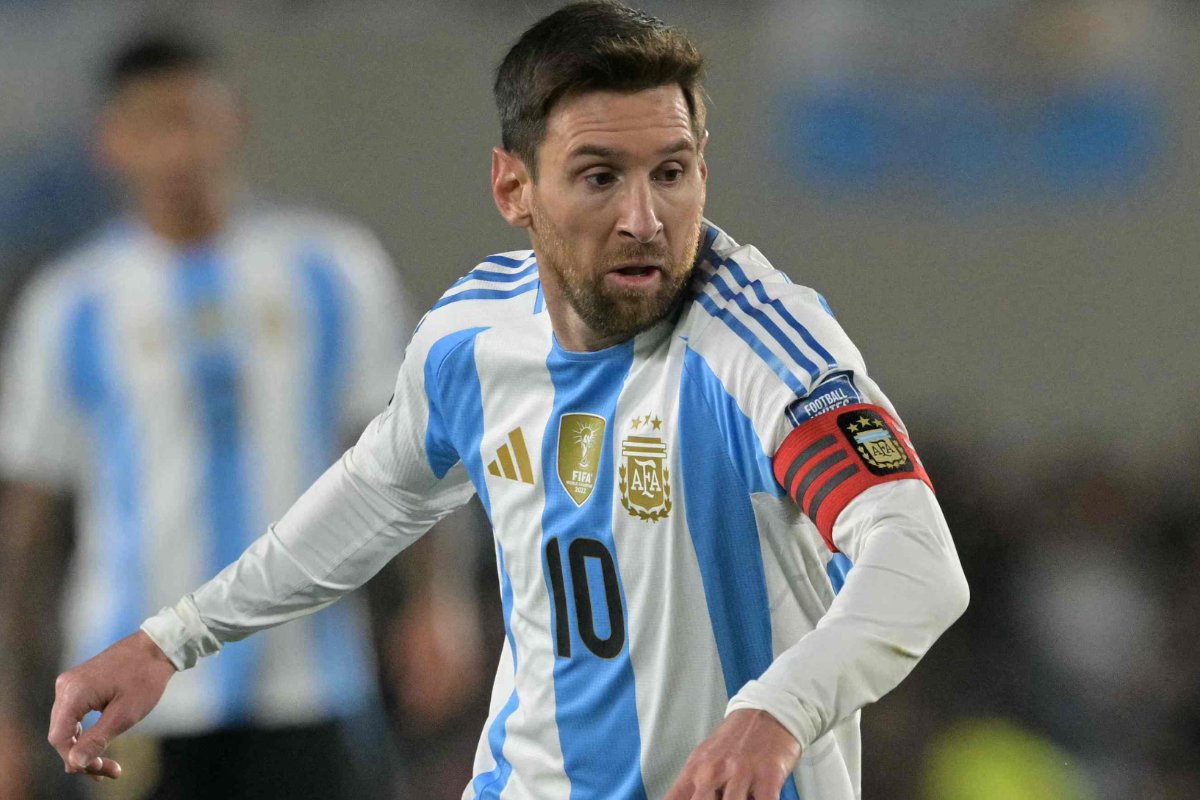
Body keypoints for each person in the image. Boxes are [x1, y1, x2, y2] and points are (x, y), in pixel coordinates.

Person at [45, 4, 970, 799]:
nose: (644, 217)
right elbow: (374, 496)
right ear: (513, 187)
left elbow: (919, 559)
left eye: (673, 172)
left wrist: (777, 708)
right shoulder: (475, 340)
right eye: (600, 176)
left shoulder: (759, 354)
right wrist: (171, 640)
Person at [0, 34, 476, 800]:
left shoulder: (333, 268)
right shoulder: (69, 307)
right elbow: (27, 527)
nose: (178, 148)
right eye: (154, 125)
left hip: (311, 682)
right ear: (110, 142)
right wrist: (9, 710)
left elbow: (407, 449)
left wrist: (435, 601)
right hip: (129, 692)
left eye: (193, 118)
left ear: (235, 121)